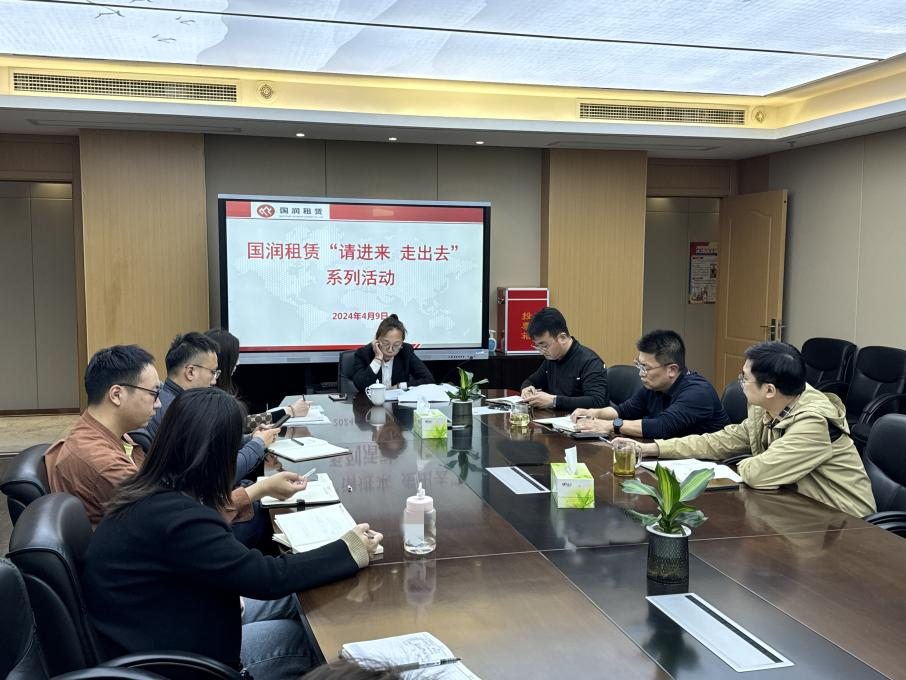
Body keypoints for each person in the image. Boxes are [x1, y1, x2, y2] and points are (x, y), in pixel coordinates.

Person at [83, 388, 383, 679]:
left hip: (176, 618)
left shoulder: (153, 490)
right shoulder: (178, 518)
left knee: (299, 599)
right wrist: (350, 548)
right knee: (303, 640)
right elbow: (267, 577)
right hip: (181, 662)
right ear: (215, 455)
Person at [44, 344, 303, 528]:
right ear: (117, 394)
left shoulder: (107, 436)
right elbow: (180, 519)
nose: (158, 404)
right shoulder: (103, 463)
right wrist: (261, 488)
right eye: (153, 394)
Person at [612, 341, 876, 518]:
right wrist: (653, 448)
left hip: (842, 522)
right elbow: (722, 440)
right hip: (796, 508)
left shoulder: (812, 423)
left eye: (744, 378)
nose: (739, 383)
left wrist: (740, 464)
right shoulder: (770, 406)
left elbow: (758, 474)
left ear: (769, 389)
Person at [143, 332, 277, 481]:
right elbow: (216, 476)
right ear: (190, 372)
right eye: (213, 373)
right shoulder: (183, 413)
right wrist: (258, 444)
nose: (214, 381)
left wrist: (250, 438)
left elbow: (213, 448)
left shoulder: (168, 400)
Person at [570, 329, 729, 437]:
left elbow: (661, 426)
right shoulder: (654, 387)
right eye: (638, 365)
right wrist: (593, 413)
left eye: (645, 368)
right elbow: (624, 410)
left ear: (672, 370)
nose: (640, 373)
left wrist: (610, 425)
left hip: (708, 467)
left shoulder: (697, 392)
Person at [206, 327, 311, 430]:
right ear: (224, 360)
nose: (238, 363)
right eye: (235, 357)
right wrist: (290, 411)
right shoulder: (208, 395)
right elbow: (241, 423)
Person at [520, 307, 608, 410]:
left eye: (544, 346)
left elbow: (597, 401)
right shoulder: (552, 358)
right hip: (555, 417)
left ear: (562, 338)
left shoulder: (590, 362)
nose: (541, 351)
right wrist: (527, 389)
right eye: (537, 346)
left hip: (580, 419)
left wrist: (554, 401)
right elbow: (531, 381)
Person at [351, 314, 434, 393]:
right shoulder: (364, 353)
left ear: (401, 344)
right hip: (370, 402)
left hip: (397, 402)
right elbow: (360, 385)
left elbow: (428, 380)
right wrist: (377, 359)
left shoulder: (406, 351)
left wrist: (400, 386)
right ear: (377, 340)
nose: (390, 349)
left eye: (396, 345)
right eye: (386, 343)